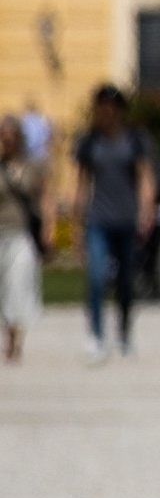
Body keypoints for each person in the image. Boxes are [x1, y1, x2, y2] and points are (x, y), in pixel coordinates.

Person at [68, 87, 154, 359]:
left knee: (126, 281)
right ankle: (96, 333)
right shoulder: (90, 142)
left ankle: (124, 331)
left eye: (110, 106)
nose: (105, 112)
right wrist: (75, 223)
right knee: (95, 277)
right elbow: (81, 184)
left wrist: (146, 211)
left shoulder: (133, 140)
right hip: (98, 219)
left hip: (127, 219)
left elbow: (144, 178)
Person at [0, 117, 44, 363]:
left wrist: (48, 227)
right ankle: (8, 335)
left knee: (18, 286)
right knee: (3, 289)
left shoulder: (31, 166)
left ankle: (15, 340)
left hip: (21, 234)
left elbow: (43, 197)